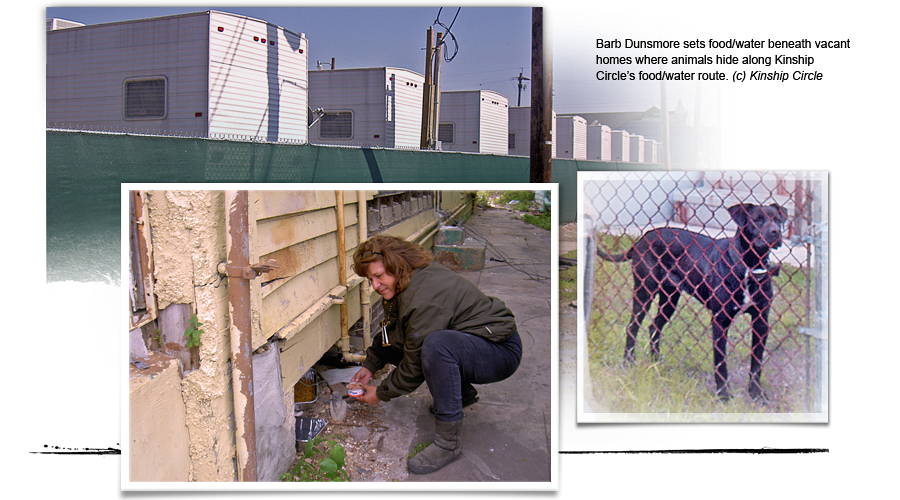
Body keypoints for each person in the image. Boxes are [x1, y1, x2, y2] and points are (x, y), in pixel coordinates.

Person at [349, 234, 522, 474]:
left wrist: (380, 393)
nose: (375, 286)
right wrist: (370, 365)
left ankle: (448, 444)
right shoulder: (406, 282)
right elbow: (393, 333)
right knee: (423, 342)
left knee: (436, 346)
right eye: (371, 279)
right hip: (475, 342)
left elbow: (415, 364)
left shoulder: (422, 296)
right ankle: (462, 395)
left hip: (499, 350)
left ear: (397, 266)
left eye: (379, 276)